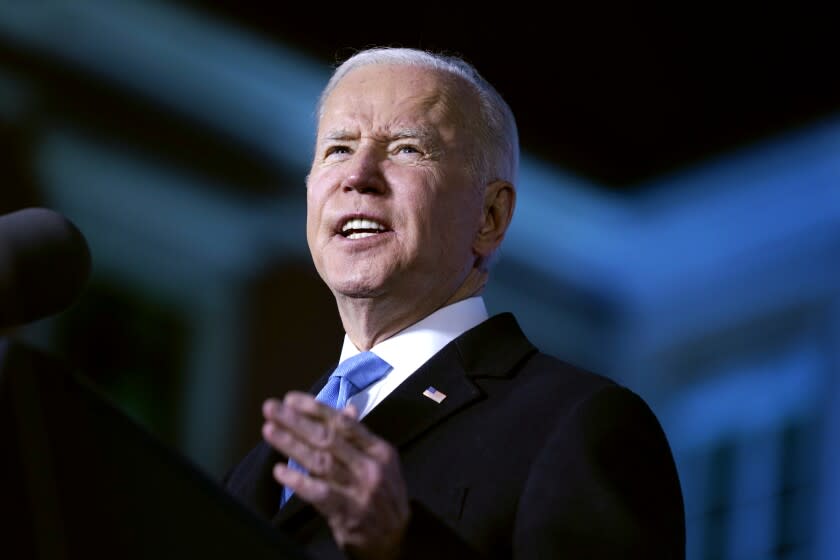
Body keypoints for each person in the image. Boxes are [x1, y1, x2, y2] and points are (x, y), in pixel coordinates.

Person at [224, 47, 685, 560]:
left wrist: (401, 546)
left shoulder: (577, 424)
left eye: (405, 149)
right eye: (338, 149)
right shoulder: (248, 475)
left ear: (489, 216)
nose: (358, 175)